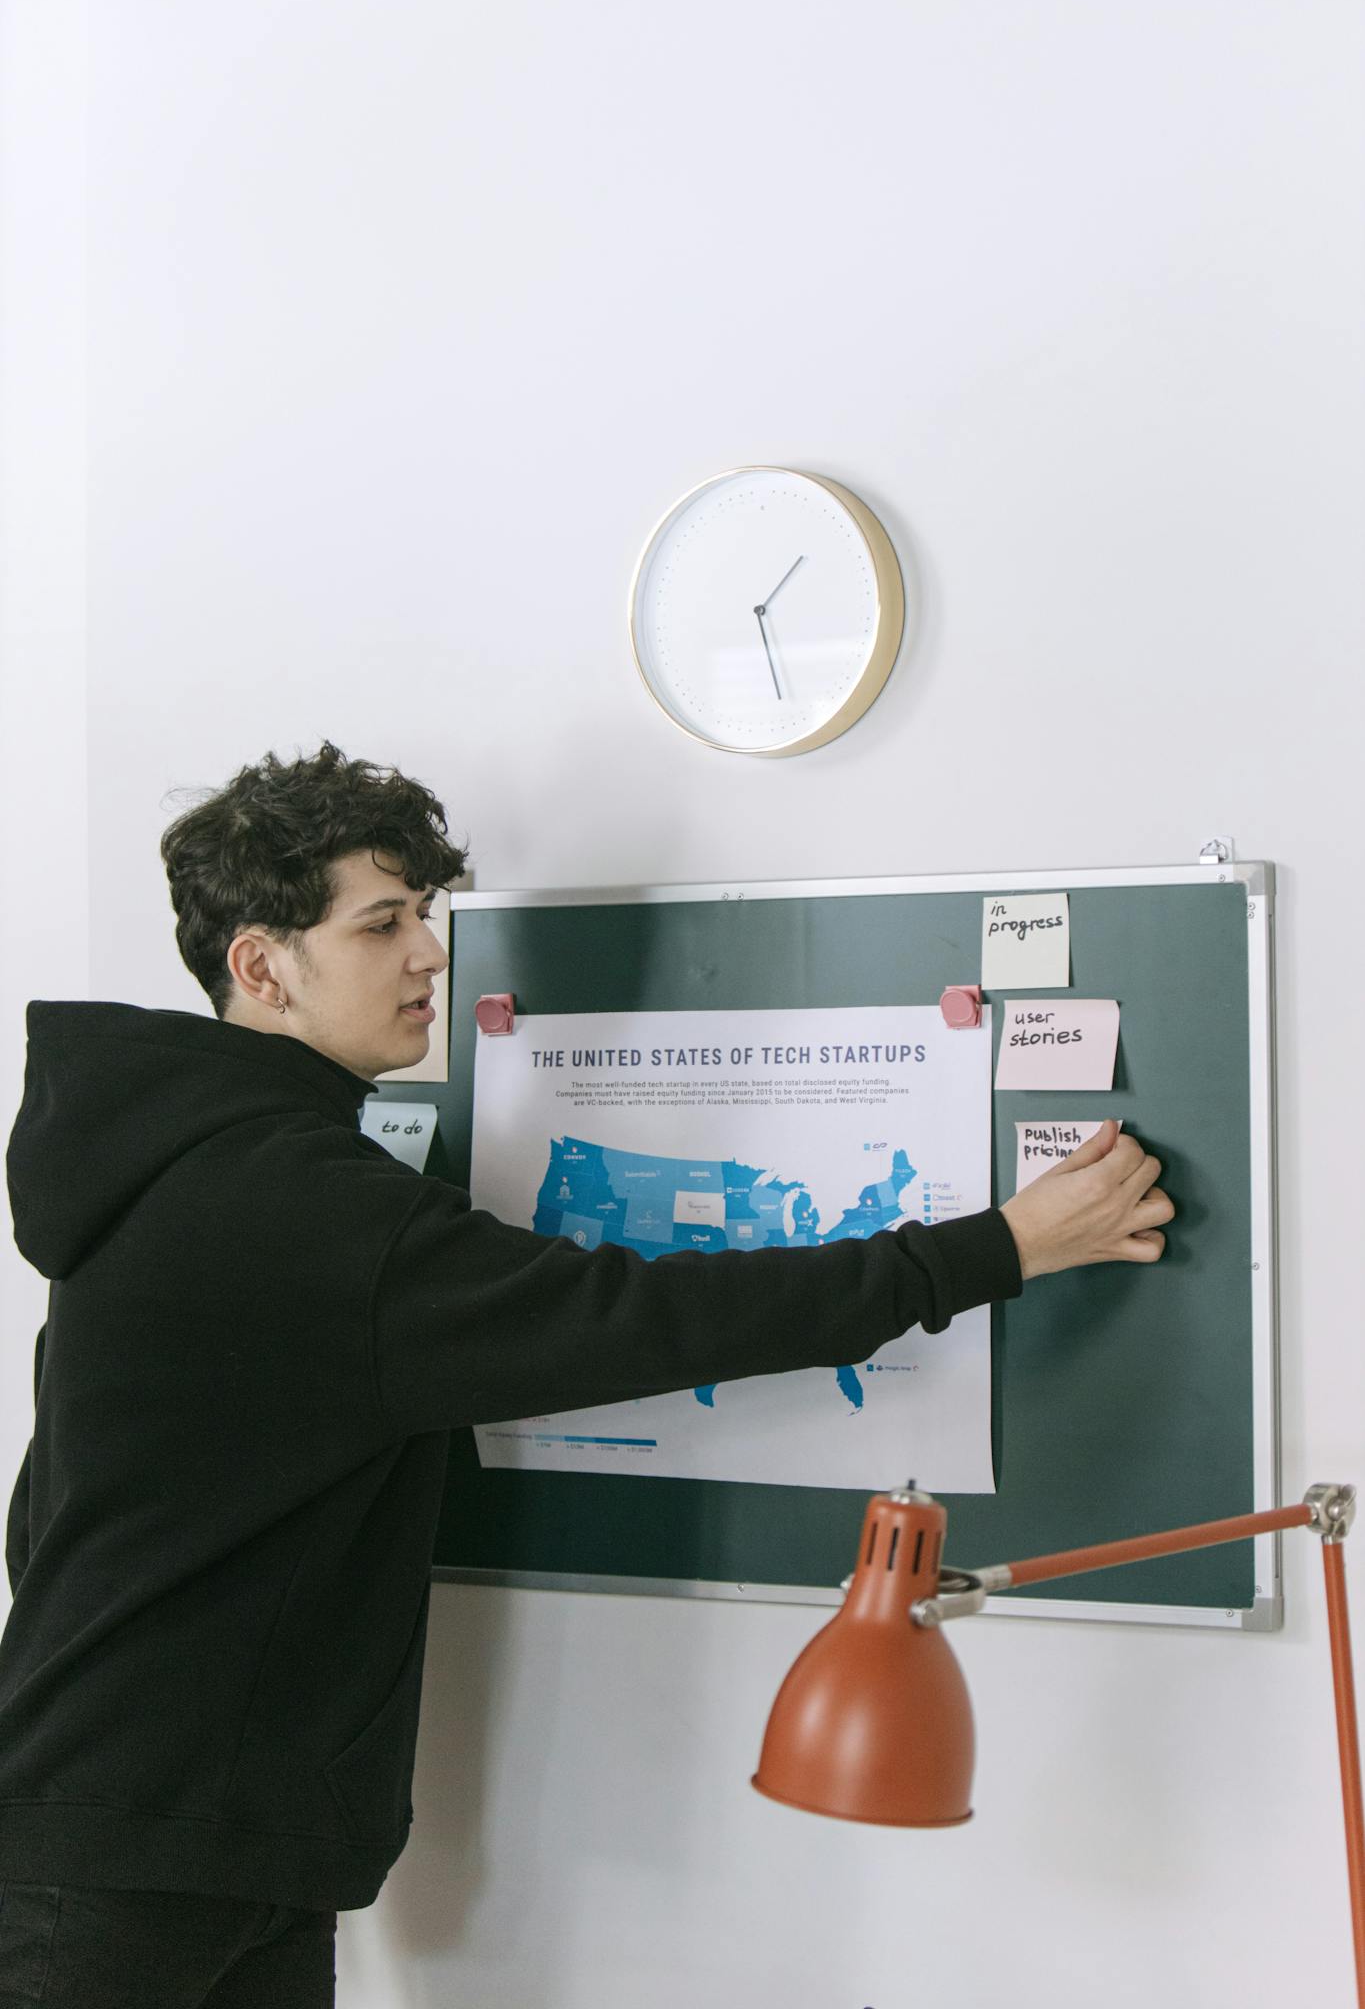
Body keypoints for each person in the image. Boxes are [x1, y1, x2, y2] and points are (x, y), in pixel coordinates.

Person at [0, 743, 1173, 2007]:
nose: (430, 956)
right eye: (383, 922)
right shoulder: (296, 1201)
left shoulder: (183, 1164)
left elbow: (50, 1508)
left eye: (428, 917)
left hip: (187, 1834)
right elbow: (637, 1318)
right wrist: (1000, 1245)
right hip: (133, 1861)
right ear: (262, 965)